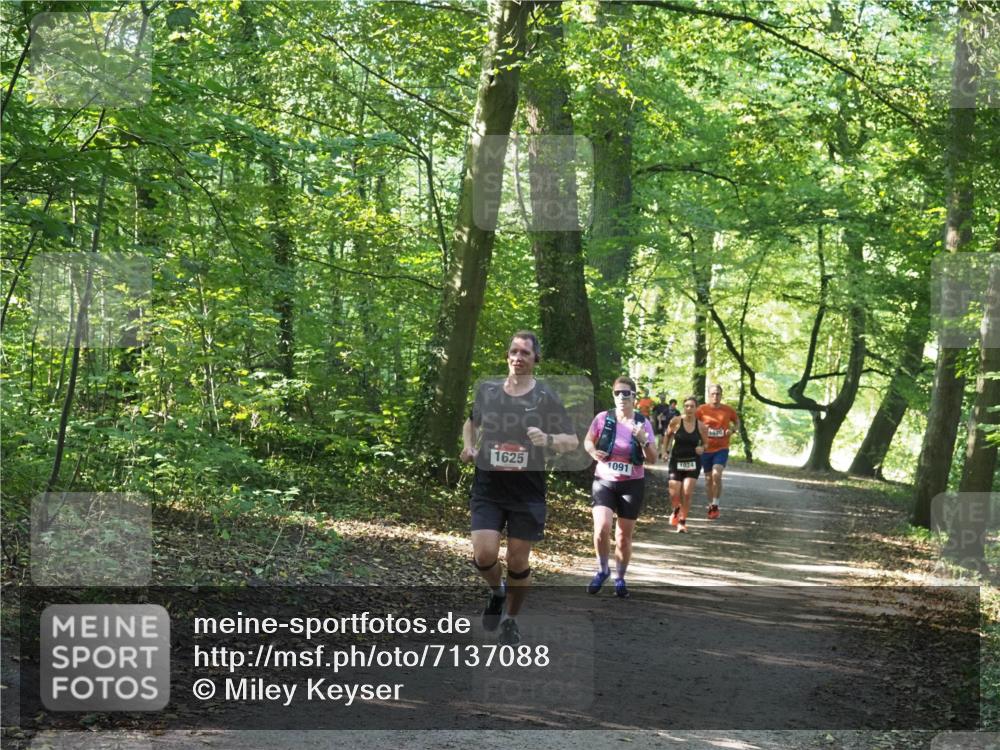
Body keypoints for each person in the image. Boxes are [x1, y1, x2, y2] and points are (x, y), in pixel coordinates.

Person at [460, 330, 578, 645]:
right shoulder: (488, 391)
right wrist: (469, 447)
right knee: (484, 554)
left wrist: (549, 439)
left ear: (535, 358)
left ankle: (511, 619)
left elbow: (571, 441)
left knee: (517, 561)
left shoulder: (546, 397)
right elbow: (471, 423)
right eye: (513, 351)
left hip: (527, 491)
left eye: (525, 352)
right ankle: (497, 593)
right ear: (507, 356)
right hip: (489, 487)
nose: (518, 357)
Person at [583, 376, 657, 598]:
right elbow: (588, 440)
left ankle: (620, 578)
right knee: (601, 529)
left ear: (634, 397)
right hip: (604, 481)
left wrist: (643, 439)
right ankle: (602, 569)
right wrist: (592, 452)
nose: (621, 397)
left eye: (626, 393)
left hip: (631, 484)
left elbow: (653, 459)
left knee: (624, 536)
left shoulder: (643, 424)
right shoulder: (603, 418)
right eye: (617, 393)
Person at [662, 396, 709, 533]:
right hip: (676, 460)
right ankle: (676, 509)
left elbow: (706, 443)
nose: (689, 409)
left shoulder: (701, 426)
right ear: (684, 407)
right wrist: (664, 451)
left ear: (696, 409)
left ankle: (682, 522)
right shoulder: (676, 421)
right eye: (686, 406)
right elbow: (667, 435)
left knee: (687, 492)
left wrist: (703, 448)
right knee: (674, 492)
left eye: (692, 406)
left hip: (693, 462)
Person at [695, 384, 740, 520]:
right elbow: (692, 423)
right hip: (706, 449)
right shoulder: (701, 410)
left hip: (722, 448)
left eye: (718, 394)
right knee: (708, 480)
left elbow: (737, 422)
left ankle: (716, 504)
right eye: (713, 394)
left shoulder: (728, 410)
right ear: (709, 395)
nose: (715, 396)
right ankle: (710, 505)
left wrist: (732, 430)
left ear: (721, 395)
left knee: (716, 474)